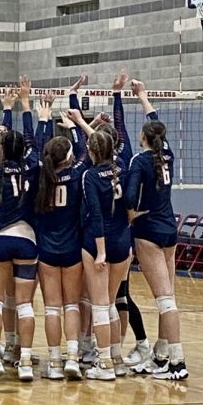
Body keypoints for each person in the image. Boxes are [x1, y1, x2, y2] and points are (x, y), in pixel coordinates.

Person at [125, 80, 188, 381]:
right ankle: (162, 355)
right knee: (168, 297)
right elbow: (155, 122)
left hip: (148, 230)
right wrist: (143, 97)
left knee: (165, 300)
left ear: (143, 138)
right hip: (169, 228)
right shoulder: (168, 155)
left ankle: (177, 361)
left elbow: (128, 196)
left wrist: (131, 214)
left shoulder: (140, 160)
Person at [0, 76, 39, 383]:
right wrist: (25, 105)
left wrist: (7, 108)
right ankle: (25, 362)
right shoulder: (33, 166)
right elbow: (30, 140)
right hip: (28, 240)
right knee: (25, 304)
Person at [35, 108, 89, 380]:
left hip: (46, 250)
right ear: (67, 157)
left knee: (52, 308)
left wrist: (42, 121)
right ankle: (72, 358)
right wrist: (76, 125)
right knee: (72, 305)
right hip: (72, 250)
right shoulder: (78, 175)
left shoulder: (40, 176)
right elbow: (86, 153)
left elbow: (36, 150)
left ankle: (54, 362)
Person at [80, 129, 131, 380]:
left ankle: (104, 364)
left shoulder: (89, 176)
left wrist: (100, 251)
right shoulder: (122, 166)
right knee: (110, 304)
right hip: (123, 242)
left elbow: (96, 215)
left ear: (90, 151)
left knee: (100, 306)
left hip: (99, 243)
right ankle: (117, 357)